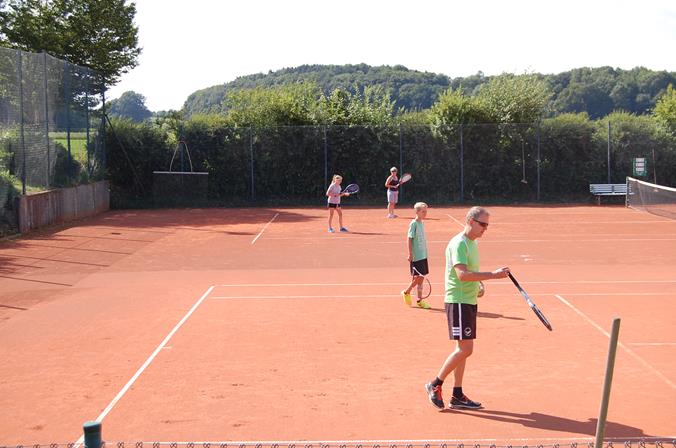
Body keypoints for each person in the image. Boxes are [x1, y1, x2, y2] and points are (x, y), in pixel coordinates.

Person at [424, 206, 510, 410]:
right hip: (459, 301)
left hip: (468, 300)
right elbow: (462, 275)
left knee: (461, 350)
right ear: (471, 221)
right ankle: (435, 384)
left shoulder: (473, 243)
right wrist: (493, 275)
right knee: (466, 349)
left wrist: (478, 284)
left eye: (487, 225)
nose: (485, 228)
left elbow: (470, 272)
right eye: (483, 224)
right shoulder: (459, 244)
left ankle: (457, 394)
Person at [401, 202, 431, 309]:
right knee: (418, 277)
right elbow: (409, 239)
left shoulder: (422, 223)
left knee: (421, 278)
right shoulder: (413, 224)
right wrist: (410, 253)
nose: (425, 213)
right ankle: (406, 292)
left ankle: (419, 300)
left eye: (426, 211)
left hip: (423, 255)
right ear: (417, 212)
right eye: (423, 211)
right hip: (416, 256)